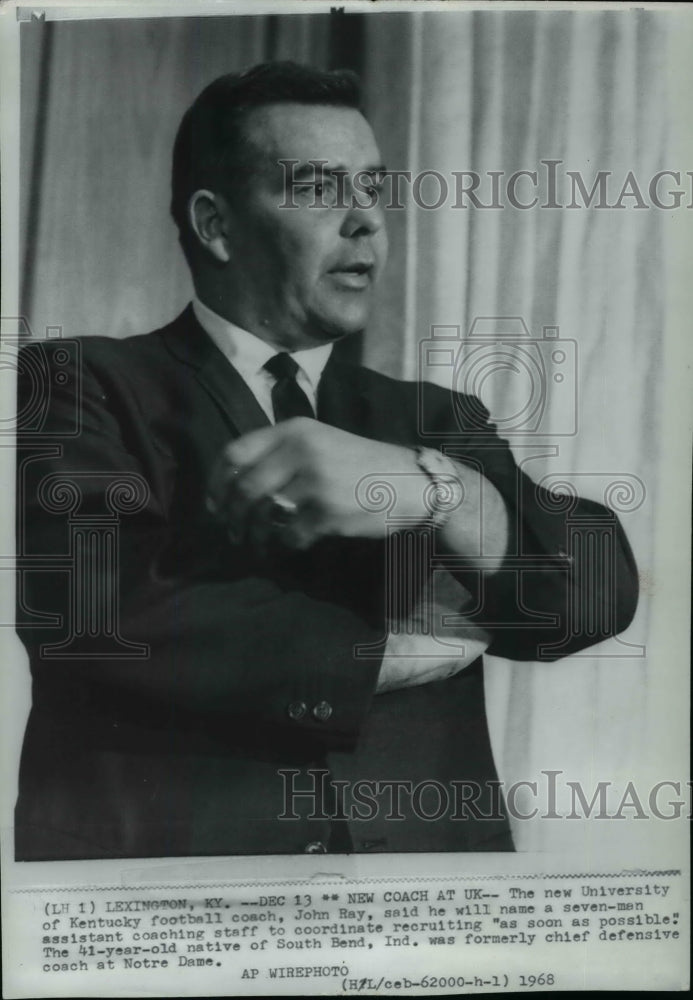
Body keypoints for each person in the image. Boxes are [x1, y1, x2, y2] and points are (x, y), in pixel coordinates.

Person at [14, 62, 638, 860]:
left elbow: (592, 589)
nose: (366, 221)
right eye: (317, 188)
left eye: (373, 188)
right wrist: (387, 652)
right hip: (176, 896)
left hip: (417, 907)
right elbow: (96, 618)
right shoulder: (76, 382)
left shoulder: (432, 420)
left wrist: (437, 493)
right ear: (216, 224)